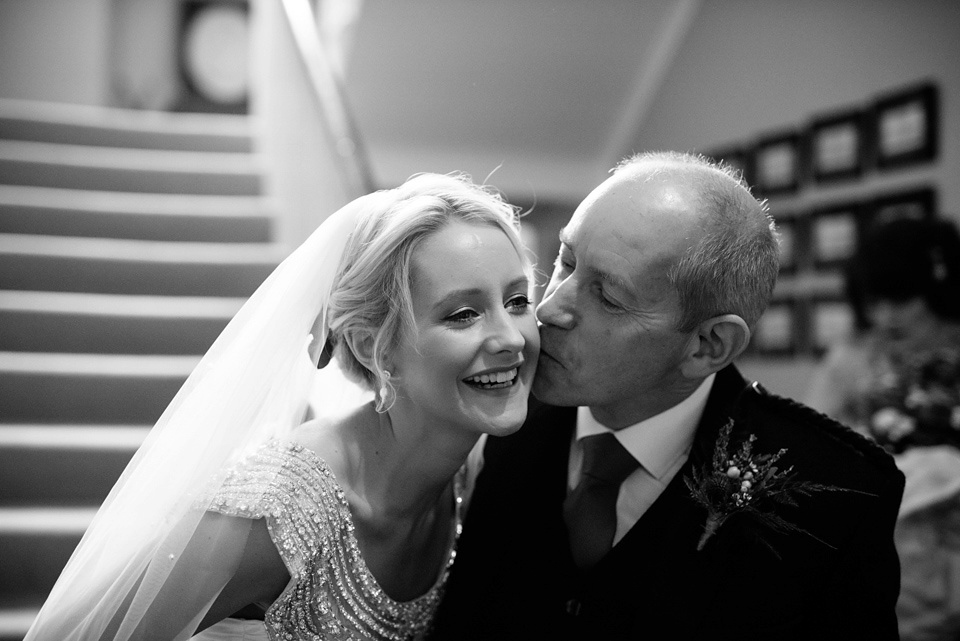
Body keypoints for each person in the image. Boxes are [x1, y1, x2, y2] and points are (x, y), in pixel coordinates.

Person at [25, 172, 540, 641]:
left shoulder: (472, 473)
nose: (510, 338)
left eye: (517, 302)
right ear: (373, 348)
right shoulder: (281, 507)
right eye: (464, 313)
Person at [431, 151, 905, 640]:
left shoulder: (840, 497)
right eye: (565, 261)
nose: (550, 308)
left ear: (707, 345)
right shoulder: (492, 410)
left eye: (608, 297)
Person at [805, 216, 960, 641]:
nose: (887, 316)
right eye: (876, 302)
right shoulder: (854, 357)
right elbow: (815, 445)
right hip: (888, 554)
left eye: (902, 299)